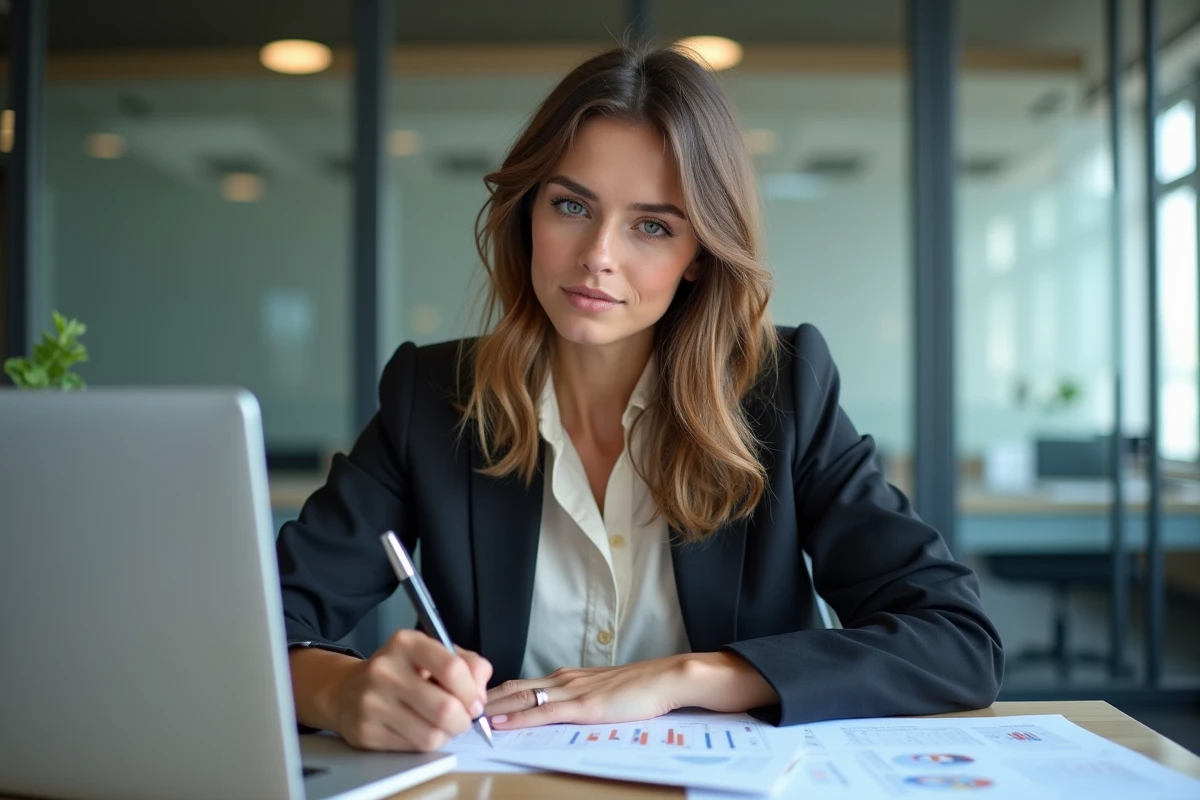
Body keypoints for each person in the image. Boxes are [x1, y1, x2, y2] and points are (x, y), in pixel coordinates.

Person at [278, 41, 1004, 754]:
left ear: (699, 258)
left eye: (652, 226)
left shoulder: (782, 390)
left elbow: (956, 639)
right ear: (529, 213)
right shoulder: (432, 398)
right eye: (571, 205)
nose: (599, 254)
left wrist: (685, 677)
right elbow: (260, 622)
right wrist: (338, 691)